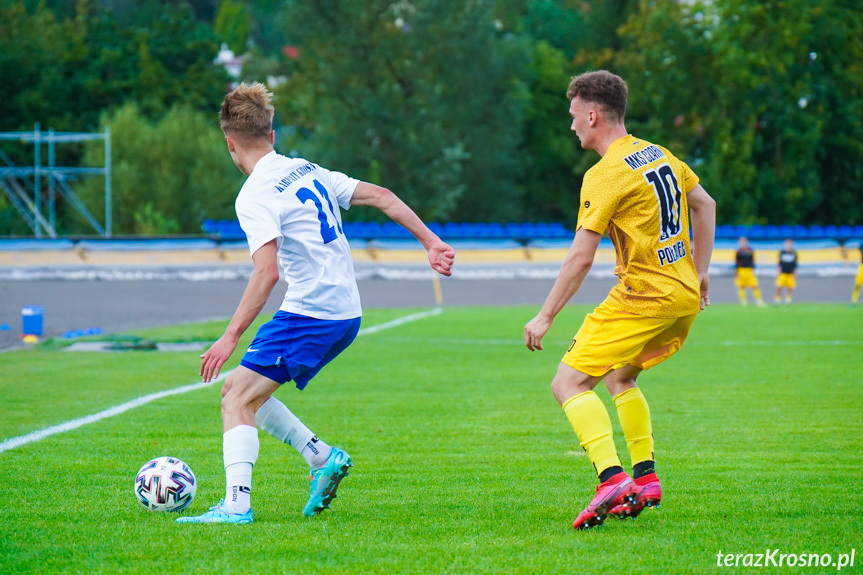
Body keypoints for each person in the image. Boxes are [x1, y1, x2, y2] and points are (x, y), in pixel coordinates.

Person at [177, 82, 455, 524]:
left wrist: (229, 336)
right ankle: (319, 456)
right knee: (240, 390)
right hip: (344, 312)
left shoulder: (253, 196)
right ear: (271, 135)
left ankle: (236, 506)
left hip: (312, 311)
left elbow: (267, 273)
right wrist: (431, 242)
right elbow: (381, 196)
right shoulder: (305, 168)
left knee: (235, 402)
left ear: (230, 144)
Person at [523, 70, 715, 530]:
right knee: (620, 376)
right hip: (683, 297)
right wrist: (702, 272)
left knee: (568, 384)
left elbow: (580, 258)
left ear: (592, 114)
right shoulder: (658, 154)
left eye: (573, 116)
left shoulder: (603, 176)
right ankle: (646, 479)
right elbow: (704, 204)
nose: (571, 126)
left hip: (643, 297)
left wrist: (545, 315)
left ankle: (611, 479)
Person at [735, 236, 765, 306]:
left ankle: (759, 300)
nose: (742, 243)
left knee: (755, 285)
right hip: (741, 270)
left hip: (749, 270)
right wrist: (737, 272)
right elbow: (737, 262)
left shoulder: (750, 250)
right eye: (741, 242)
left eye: (744, 241)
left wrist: (753, 269)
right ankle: (743, 301)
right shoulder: (738, 251)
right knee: (741, 286)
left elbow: (752, 260)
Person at [774, 238, 798, 304]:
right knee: (779, 286)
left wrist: (795, 273)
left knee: (790, 287)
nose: (788, 245)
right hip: (783, 273)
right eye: (787, 243)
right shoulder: (782, 252)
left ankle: (788, 299)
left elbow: (795, 264)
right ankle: (777, 299)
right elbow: (779, 263)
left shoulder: (794, 253)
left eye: (790, 243)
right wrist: (778, 272)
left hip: (790, 273)